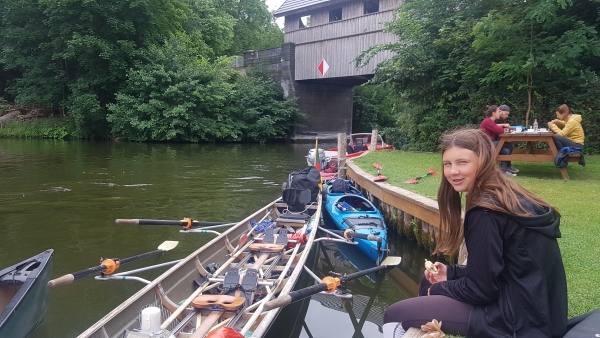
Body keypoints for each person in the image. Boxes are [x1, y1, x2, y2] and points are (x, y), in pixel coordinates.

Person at [383, 128, 568, 338]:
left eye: (462, 162)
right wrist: (451, 274)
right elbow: (501, 267)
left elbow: (482, 290)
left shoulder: (486, 211)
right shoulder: (505, 192)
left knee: (394, 315)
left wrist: (436, 292)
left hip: (520, 320)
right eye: (447, 164)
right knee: (428, 279)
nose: (453, 171)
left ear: (483, 162)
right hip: (539, 309)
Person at [479, 105, 518, 176]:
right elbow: (499, 130)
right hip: (486, 144)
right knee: (507, 145)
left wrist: (504, 128)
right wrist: (504, 129)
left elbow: (496, 127)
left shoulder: (489, 121)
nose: (499, 113)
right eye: (498, 111)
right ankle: (506, 169)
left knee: (505, 150)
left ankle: (504, 170)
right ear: (494, 113)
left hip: (490, 143)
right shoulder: (488, 121)